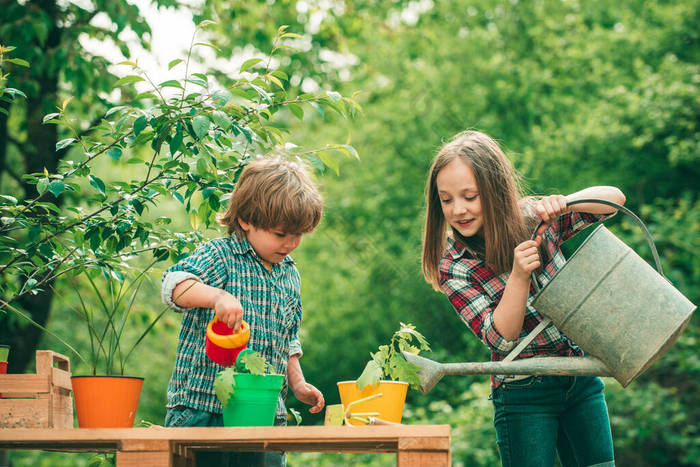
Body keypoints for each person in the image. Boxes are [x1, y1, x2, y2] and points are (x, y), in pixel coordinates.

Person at [421, 130, 625, 467]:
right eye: (447, 200)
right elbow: (501, 339)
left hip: (580, 377)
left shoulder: (534, 218)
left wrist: (566, 202)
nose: (459, 209)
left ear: (494, 191)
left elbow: (614, 200)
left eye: (470, 196)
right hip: (522, 393)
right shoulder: (454, 266)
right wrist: (518, 275)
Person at [161, 156, 325, 466]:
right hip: (204, 410)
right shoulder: (221, 255)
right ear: (247, 220)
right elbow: (174, 286)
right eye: (281, 234)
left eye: (298, 235)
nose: (291, 244)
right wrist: (217, 297)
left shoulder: (290, 273)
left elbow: (287, 338)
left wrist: (298, 383)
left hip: (263, 415)